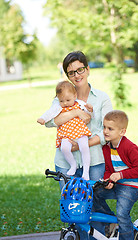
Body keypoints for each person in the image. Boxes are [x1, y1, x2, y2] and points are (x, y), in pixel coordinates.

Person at [39, 51, 113, 240]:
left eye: (80, 69)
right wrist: (75, 114)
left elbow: (107, 132)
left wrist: (81, 145)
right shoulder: (62, 95)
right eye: (71, 72)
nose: (77, 75)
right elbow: (50, 121)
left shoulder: (101, 98)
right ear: (67, 75)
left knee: (93, 202)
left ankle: (107, 226)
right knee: (74, 208)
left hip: (93, 160)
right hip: (65, 162)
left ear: (87, 69)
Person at [93, 110, 138, 240]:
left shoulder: (130, 148)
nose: (105, 131)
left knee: (122, 214)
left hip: (133, 187)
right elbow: (108, 168)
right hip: (118, 185)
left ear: (122, 131)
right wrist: (109, 180)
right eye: (104, 127)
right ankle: (111, 221)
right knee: (94, 193)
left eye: (110, 128)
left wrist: (120, 175)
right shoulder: (107, 148)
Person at [37, 81, 93, 180]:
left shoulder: (80, 104)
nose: (65, 103)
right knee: (64, 148)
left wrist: (90, 110)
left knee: (84, 147)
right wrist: (43, 118)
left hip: (80, 131)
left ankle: (86, 171)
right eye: (62, 101)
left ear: (75, 95)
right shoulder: (58, 107)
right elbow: (50, 113)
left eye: (68, 100)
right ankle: (73, 164)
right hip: (66, 133)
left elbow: (89, 116)